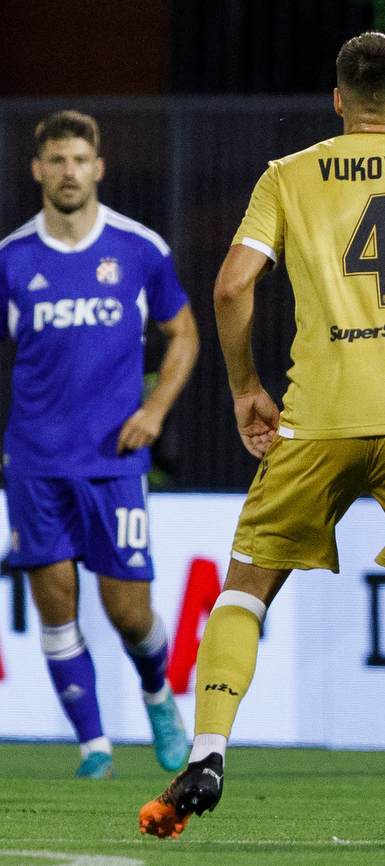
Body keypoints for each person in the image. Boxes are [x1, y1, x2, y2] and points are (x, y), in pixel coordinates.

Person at [137, 33, 385, 842]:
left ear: (336, 100)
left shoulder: (288, 176)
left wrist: (247, 386)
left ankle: (208, 751)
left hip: (316, 415)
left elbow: (230, 285)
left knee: (247, 584)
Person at [0, 110, 199, 778]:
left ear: (99, 167)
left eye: (79, 160)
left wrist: (155, 410)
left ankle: (157, 694)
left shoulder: (138, 249)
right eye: (56, 160)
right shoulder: (12, 259)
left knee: (129, 610)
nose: (68, 172)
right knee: (57, 606)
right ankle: (94, 748)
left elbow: (186, 335)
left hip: (112, 462)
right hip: (33, 463)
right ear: (37, 169)